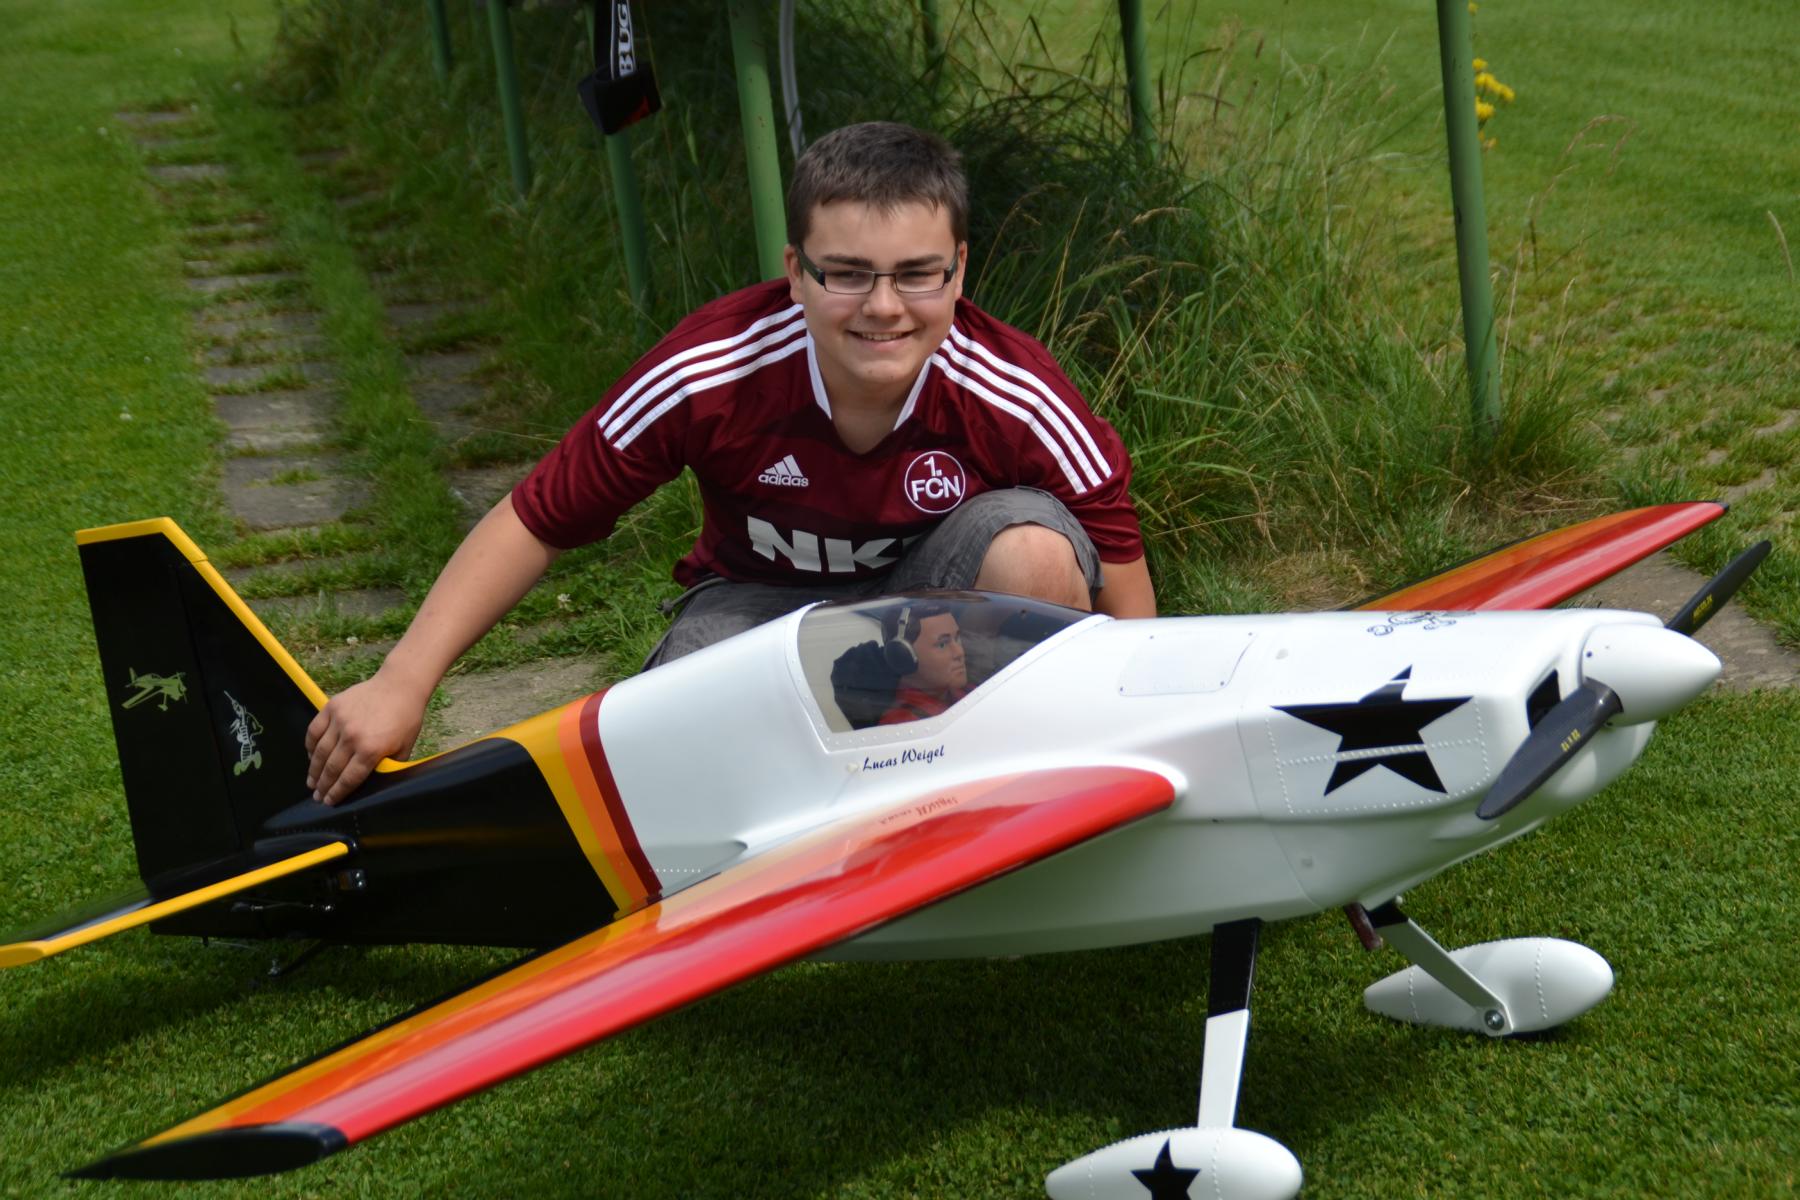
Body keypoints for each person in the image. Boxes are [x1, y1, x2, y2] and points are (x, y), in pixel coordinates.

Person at [305, 121, 1155, 805]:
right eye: (847, 274)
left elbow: (1120, 575)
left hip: (939, 612)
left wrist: (1143, 728)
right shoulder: (710, 372)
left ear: (959, 270)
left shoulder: (1013, 389)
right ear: (795, 273)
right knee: (666, 763)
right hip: (763, 610)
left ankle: (1015, 800)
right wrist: (402, 680)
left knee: (1036, 552)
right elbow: (539, 518)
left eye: (915, 275)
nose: (884, 307)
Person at [877, 605, 968, 724]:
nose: (959, 652)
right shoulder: (905, 723)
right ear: (904, 656)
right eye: (942, 644)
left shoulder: (963, 693)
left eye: (957, 639)